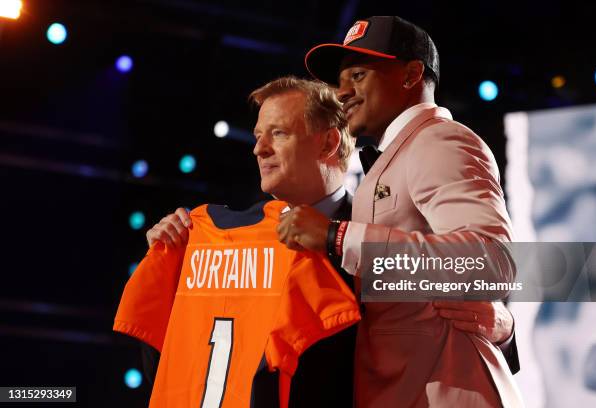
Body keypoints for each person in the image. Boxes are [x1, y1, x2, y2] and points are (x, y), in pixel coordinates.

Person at [148, 71, 519, 408]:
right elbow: (171, 361)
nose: (258, 148)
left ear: (327, 144)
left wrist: (503, 327)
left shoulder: (377, 232)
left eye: (278, 133)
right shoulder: (223, 239)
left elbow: (477, 274)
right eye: (259, 135)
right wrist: (172, 268)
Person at [273, 15, 523, 407]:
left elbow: (489, 263)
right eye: (340, 80)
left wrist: (337, 236)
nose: (341, 92)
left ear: (410, 75)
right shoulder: (400, 154)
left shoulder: (439, 141)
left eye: (357, 75)